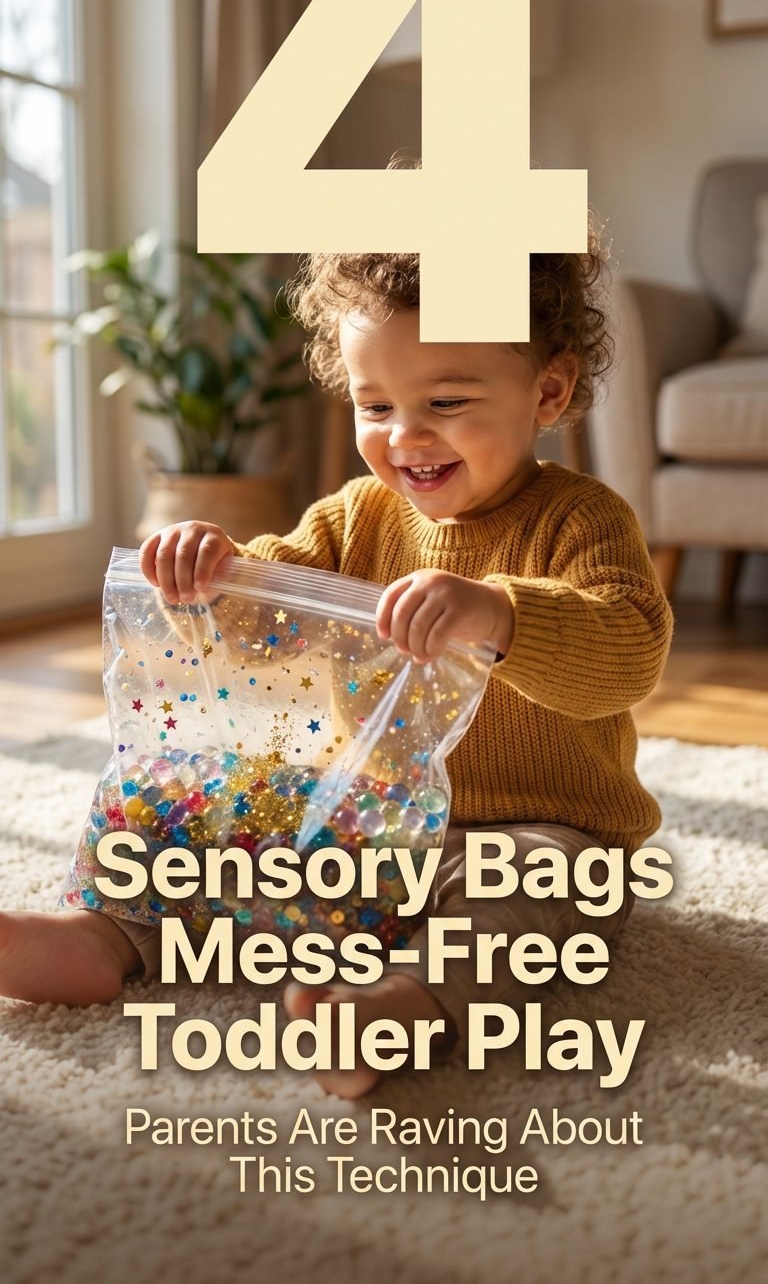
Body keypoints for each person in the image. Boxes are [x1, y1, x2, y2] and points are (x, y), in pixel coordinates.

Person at [0, 242, 673, 1098]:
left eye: (447, 401)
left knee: (536, 901)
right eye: (376, 403)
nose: (406, 435)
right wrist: (208, 574)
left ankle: (394, 1004)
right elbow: (260, 619)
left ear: (548, 390)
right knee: (203, 825)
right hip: (369, 825)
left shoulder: (583, 519)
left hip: (533, 830)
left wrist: (500, 613)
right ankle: (103, 937)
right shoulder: (355, 516)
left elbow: (628, 651)